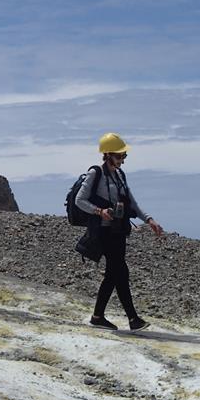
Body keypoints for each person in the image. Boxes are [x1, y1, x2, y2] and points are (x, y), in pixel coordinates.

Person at [75, 133, 163, 331]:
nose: (122, 159)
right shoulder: (95, 173)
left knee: (115, 274)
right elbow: (79, 201)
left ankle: (99, 317)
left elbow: (132, 202)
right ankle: (132, 319)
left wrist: (149, 220)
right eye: (119, 155)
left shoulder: (120, 176)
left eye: (124, 156)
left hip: (118, 232)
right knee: (119, 272)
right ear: (107, 154)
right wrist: (99, 211)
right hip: (103, 233)